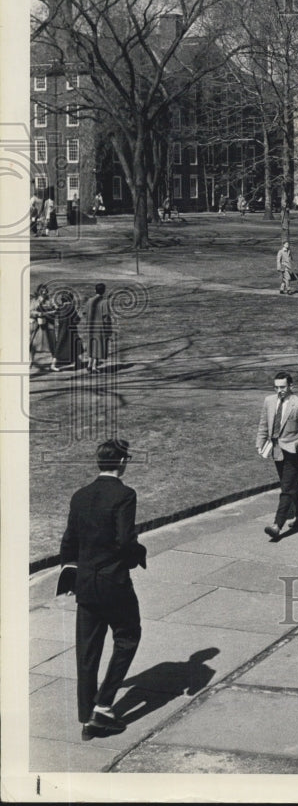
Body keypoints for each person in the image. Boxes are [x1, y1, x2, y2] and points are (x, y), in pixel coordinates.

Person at [59, 439, 146, 740]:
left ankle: (86, 717)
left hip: (85, 583)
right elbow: (124, 541)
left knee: (87, 650)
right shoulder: (125, 495)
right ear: (122, 463)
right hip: (114, 583)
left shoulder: (80, 496)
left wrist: (71, 578)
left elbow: (69, 542)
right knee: (128, 636)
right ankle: (104, 706)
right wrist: (138, 553)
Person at [257, 371, 298, 542]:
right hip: (276, 450)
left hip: (293, 452)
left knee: (286, 488)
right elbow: (264, 423)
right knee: (290, 484)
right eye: (276, 387)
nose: (279, 391)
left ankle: (277, 525)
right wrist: (260, 442)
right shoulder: (269, 401)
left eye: (282, 387)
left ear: (291, 386)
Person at [84, 283, 112, 373]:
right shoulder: (104, 302)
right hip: (100, 327)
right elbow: (106, 316)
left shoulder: (89, 301)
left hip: (90, 327)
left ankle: (89, 364)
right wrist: (108, 328)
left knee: (91, 345)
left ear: (95, 290)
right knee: (98, 346)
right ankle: (94, 366)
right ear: (103, 291)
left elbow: (84, 313)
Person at [53, 290, 84, 371]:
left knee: (60, 346)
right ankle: (77, 362)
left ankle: (54, 364)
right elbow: (76, 320)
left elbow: (58, 319)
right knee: (76, 345)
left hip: (62, 330)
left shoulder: (60, 308)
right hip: (71, 331)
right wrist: (80, 315)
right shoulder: (71, 308)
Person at [30, 283, 57, 368]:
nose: (44, 292)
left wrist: (50, 312)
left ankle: (53, 363)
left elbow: (56, 309)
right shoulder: (35, 301)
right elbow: (30, 312)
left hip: (49, 324)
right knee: (33, 343)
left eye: (45, 290)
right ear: (39, 291)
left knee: (52, 343)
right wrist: (40, 313)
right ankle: (31, 360)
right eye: (42, 290)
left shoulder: (50, 300)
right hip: (38, 324)